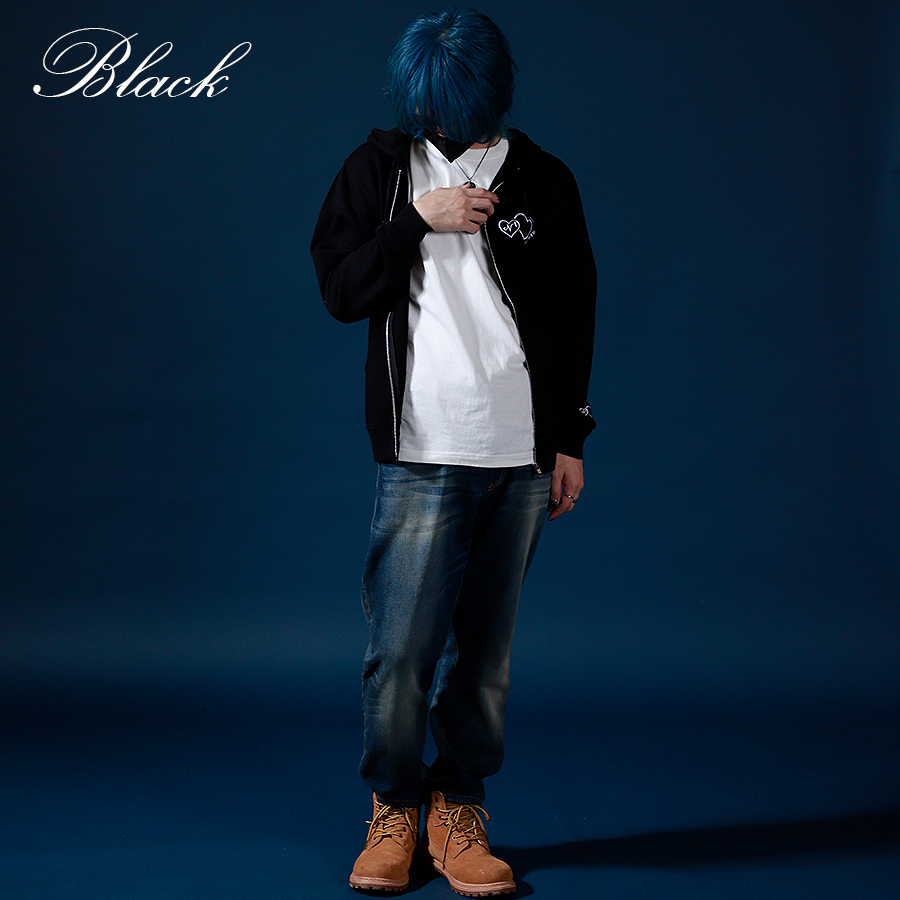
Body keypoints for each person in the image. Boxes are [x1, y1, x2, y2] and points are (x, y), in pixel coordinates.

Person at [310, 8, 596, 896]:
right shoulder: (379, 171)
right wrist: (417, 222)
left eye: (460, 104)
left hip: (520, 456)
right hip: (423, 449)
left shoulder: (543, 179)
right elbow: (340, 290)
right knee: (400, 654)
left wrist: (569, 439)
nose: (445, 121)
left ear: (493, 94)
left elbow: (576, 311)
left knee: (484, 659)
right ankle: (394, 807)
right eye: (431, 104)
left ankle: (459, 807)